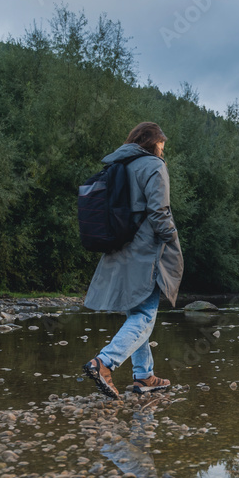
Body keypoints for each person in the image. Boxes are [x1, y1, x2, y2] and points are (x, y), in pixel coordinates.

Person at [82, 122, 183, 399]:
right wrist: (173, 239)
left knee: (135, 312)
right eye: (162, 143)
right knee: (145, 315)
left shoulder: (121, 164)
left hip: (120, 248)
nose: (164, 149)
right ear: (153, 142)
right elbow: (159, 211)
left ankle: (144, 376)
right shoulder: (153, 166)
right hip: (145, 251)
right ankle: (104, 363)